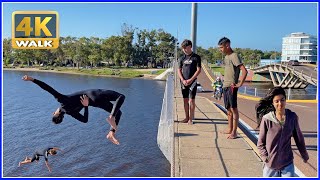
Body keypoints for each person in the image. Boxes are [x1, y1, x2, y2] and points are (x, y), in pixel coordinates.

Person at [22, 75, 125, 145]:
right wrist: (32, 79)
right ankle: (111, 117)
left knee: (118, 112)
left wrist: (86, 106)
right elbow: (48, 88)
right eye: (54, 112)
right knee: (121, 97)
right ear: (55, 113)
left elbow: (85, 120)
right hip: (94, 94)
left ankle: (111, 132)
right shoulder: (62, 100)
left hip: (94, 103)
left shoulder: (71, 113)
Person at [256, 87, 309, 177]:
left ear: (285, 100)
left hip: (287, 164)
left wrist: (304, 155)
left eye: (282, 100)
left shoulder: (292, 117)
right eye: (276, 101)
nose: (280, 103)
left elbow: (299, 139)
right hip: (270, 166)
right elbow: (260, 143)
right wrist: (265, 158)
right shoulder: (267, 119)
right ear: (273, 103)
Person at [218, 37, 248, 139]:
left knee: (233, 109)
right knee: (228, 110)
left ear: (228, 45)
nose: (220, 49)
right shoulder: (227, 57)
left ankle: (234, 132)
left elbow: (244, 70)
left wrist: (239, 84)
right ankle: (229, 129)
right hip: (225, 85)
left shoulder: (234, 56)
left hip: (231, 86)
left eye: (221, 47)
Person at [177, 39, 201, 125]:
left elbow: (198, 70)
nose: (184, 50)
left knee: (191, 100)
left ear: (190, 47)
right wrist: (183, 80)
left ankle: (191, 119)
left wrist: (191, 79)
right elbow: (179, 70)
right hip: (183, 82)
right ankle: (186, 117)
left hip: (192, 82)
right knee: (185, 100)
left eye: (185, 48)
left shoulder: (196, 57)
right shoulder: (181, 58)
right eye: (183, 48)